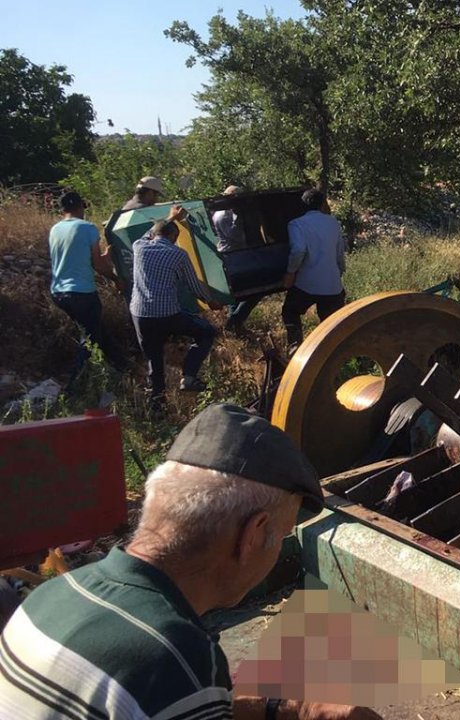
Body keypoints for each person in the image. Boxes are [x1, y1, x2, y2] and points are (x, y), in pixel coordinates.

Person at [0, 403, 383, 720]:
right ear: (253, 535)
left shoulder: (51, 595)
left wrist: (294, 710)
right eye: (281, 536)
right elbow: (164, 689)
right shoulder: (175, 658)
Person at [130, 218, 221, 405]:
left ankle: (157, 405)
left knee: (154, 359)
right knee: (206, 332)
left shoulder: (138, 246)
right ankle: (188, 377)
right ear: (174, 236)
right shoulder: (178, 254)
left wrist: (169, 217)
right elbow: (194, 286)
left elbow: (150, 233)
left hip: (140, 315)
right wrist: (210, 301)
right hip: (168, 316)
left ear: (154, 234)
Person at [47, 190, 130, 380]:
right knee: (91, 339)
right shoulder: (87, 228)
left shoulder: (55, 229)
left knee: (97, 329)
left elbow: (74, 257)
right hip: (81, 292)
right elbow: (97, 264)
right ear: (79, 207)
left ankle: (123, 368)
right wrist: (116, 279)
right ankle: (75, 384)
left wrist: (105, 256)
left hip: (59, 292)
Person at [283, 188, 347, 354]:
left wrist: (290, 273)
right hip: (332, 285)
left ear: (303, 205)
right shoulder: (333, 222)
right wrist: (340, 271)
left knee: (290, 310)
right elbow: (339, 251)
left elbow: (298, 250)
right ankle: (334, 352)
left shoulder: (296, 224)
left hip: (307, 284)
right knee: (333, 323)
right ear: (322, 204)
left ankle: (295, 345)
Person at [213, 185, 261, 334]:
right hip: (232, 257)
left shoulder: (229, 213)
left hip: (237, 256)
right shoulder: (223, 215)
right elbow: (236, 236)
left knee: (238, 294)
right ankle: (233, 322)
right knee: (254, 292)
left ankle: (235, 327)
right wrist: (239, 217)